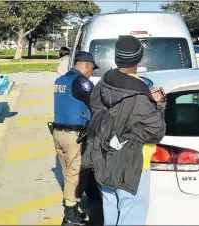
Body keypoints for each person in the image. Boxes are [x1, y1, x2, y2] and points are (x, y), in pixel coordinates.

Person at [81, 35, 167, 225]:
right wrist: (158, 106)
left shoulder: (104, 82)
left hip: (102, 157)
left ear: (116, 57)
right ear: (139, 58)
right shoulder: (139, 91)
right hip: (131, 163)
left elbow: (98, 114)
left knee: (111, 209)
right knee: (132, 210)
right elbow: (155, 132)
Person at [52, 51, 98, 226]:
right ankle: (70, 217)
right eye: (92, 69)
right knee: (75, 174)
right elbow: (95, 102)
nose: (91, 73)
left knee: (67, 173)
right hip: (74, 136)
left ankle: (73, 211)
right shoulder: (81, 82)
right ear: (87, 65)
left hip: (58, 133)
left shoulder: (60, 80)